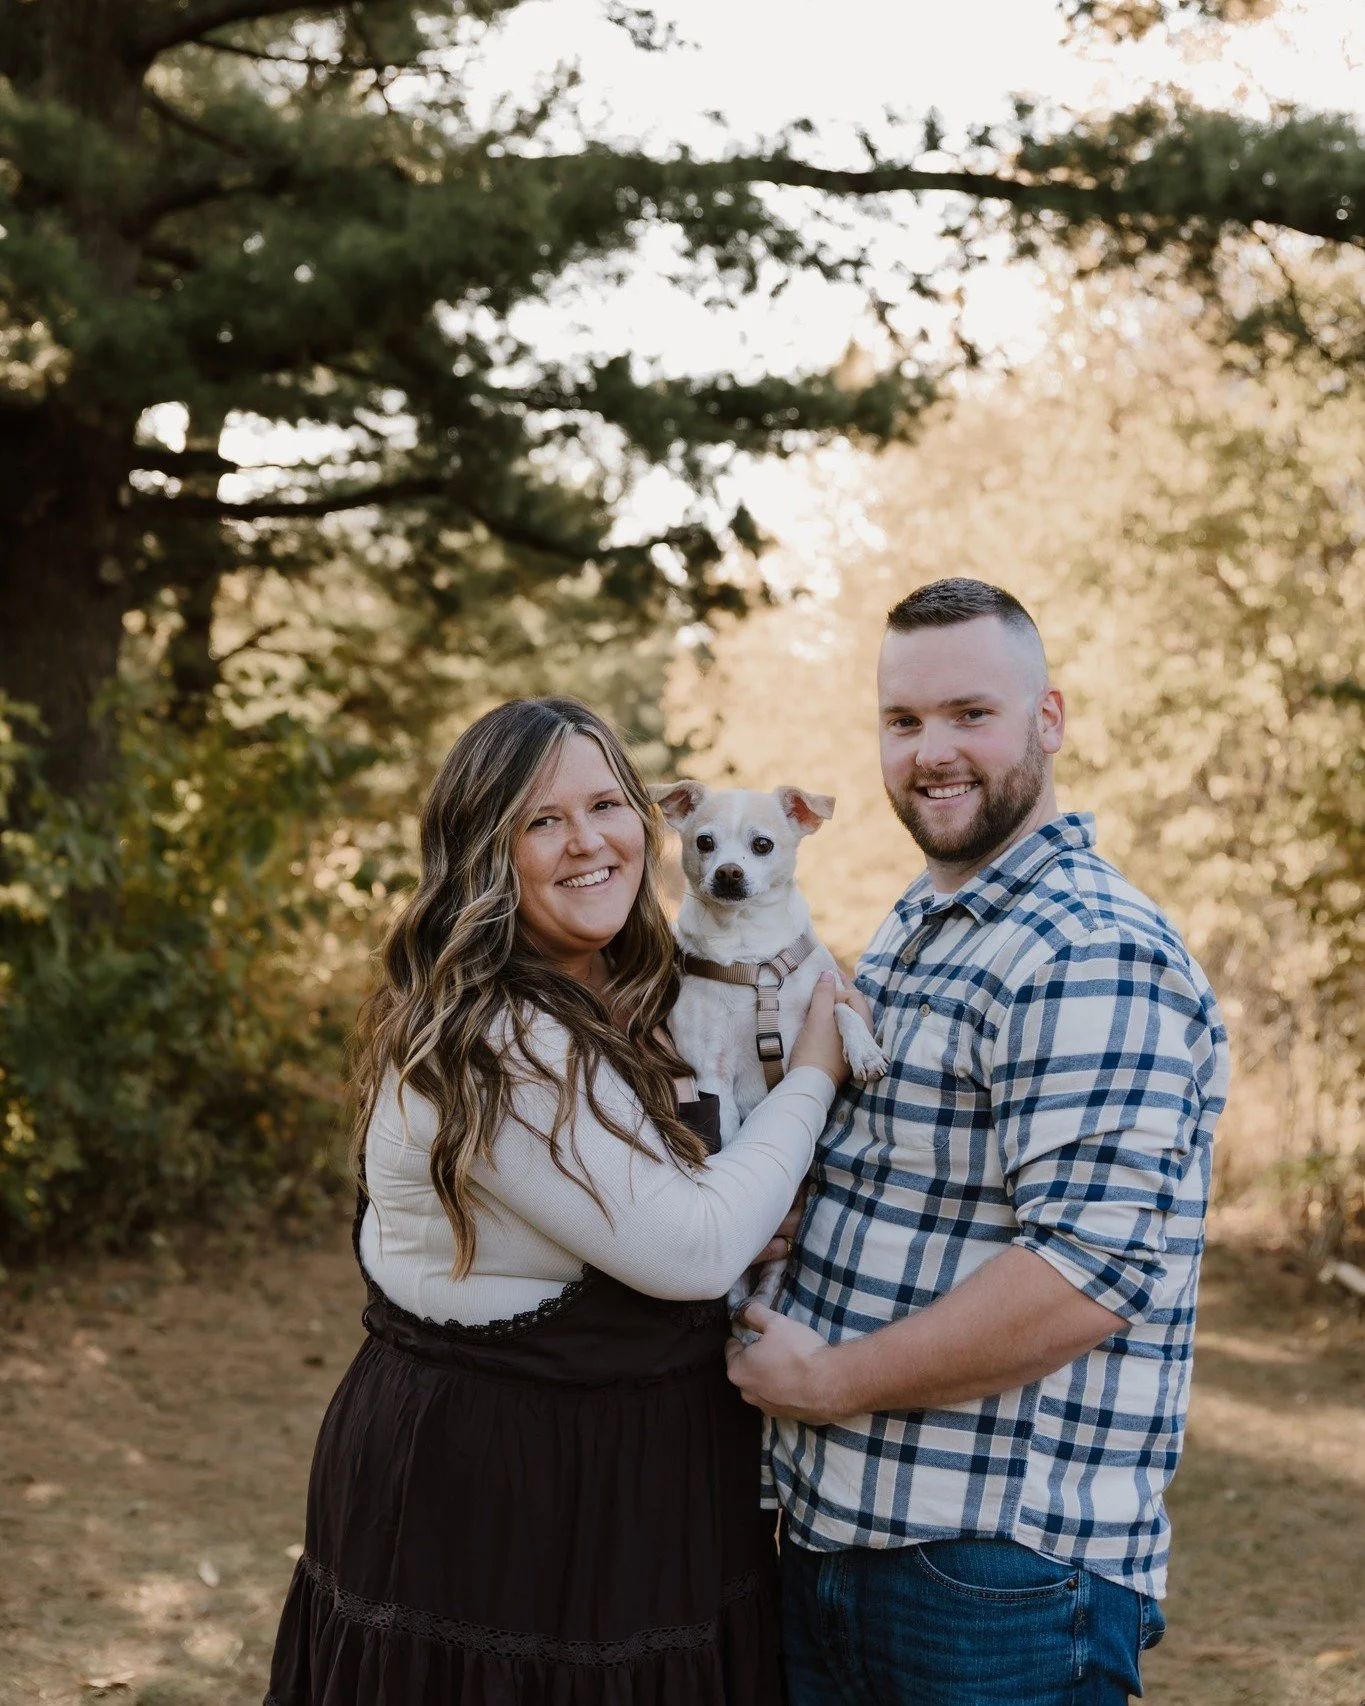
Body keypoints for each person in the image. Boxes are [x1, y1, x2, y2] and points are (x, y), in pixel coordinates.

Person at [265, 696, 851, 1706]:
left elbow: (688, 1193)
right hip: (500, 1499)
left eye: (606, 805)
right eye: (542, 821)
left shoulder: (623, 999)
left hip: (645, 1487)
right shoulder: (494, 1037)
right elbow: (697, 1247)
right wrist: (813, 1073)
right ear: (485, 854)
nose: (588, 841)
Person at [726, 579, 1230, 1706]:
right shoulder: (926, 918)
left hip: (993, 1572)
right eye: (903, 722)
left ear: (1048, 720)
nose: (931, 751)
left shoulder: (1089, 947)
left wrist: (830, 1380)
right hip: (841, 1536)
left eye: (970, 713)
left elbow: (1084, 1278)